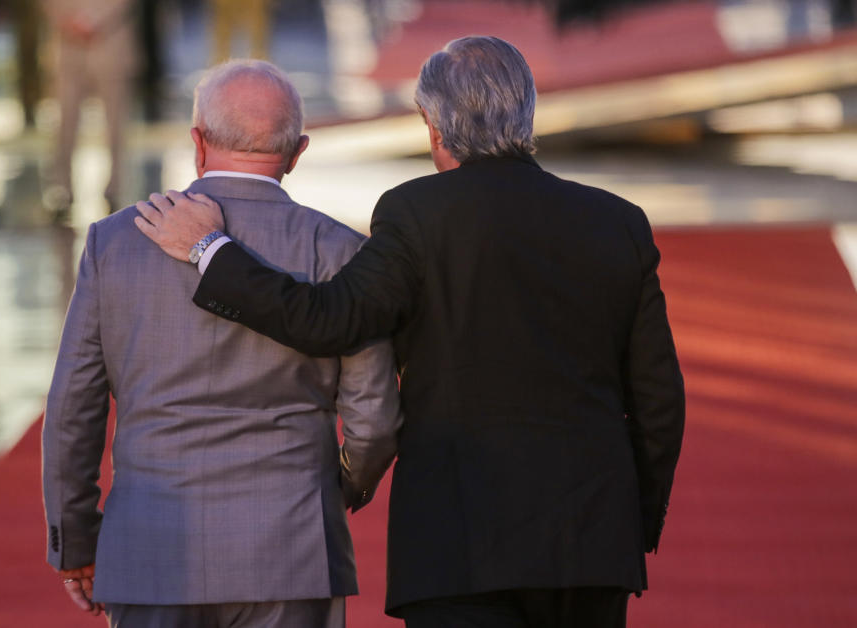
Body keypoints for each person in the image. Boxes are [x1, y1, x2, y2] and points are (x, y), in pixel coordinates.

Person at [135, 36, 686, 627]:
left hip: (460, 545)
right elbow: (659, 401)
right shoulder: (617, 221)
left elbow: (329, 320)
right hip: (592, 545)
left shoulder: (415, 212)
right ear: (526, 113)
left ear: (432, 123)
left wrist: (209, 249)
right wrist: (633, 518)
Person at [42, 60, 401, 628]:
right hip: (292, 544)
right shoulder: (341, 251)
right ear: (298, 150)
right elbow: (375, 419)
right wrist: (334, 490)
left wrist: (76, 541)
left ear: (197, 144)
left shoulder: (114, 244)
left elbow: (71, 412)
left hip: (151, 547)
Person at [42, 0, 137, 216]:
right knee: (64, 122)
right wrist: (66, 20)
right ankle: (61, 188)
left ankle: (114, 189)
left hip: (111, 41)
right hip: (67, 45)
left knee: (115, 124)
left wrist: (94, 19)